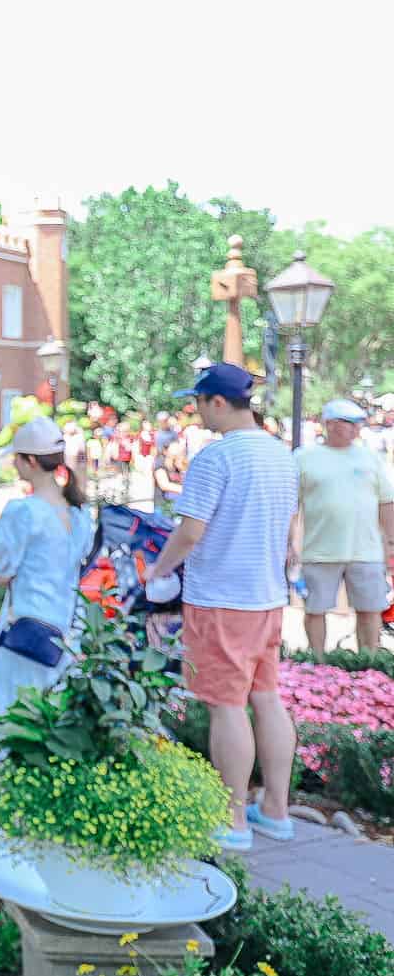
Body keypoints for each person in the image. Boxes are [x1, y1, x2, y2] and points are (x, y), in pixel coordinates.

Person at [143, 364, 298, 852]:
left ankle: (232, 818)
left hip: (221, 599)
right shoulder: (281, 455)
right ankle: (276, 810)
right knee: (266, 698)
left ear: (216, 403)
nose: (195, 411)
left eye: (198, 402)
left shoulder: (216, 458)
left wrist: (157, 572)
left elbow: (190, 531)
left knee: (226, 707)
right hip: (267, 597)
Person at [0, 418, 95, 717]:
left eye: (17, 458)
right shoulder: (79, 513)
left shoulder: (23, 511)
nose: (14, 464)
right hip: (67, 633)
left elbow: (0, 571)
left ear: (30, 461)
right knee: (51, 721)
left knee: (9, 716)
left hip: (26, 629)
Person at [291, 399, 394, 661]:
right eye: (350, 424)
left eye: (358, 424)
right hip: (319, 550)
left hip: (366, 550)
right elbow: (291, 504)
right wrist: (290, 541)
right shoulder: (303, 458)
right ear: (331, 425)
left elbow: (385, 502)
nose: (356, 430)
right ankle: (317, 662)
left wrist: (391, 541)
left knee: (370, 610)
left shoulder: (370, 458)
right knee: (315, 610)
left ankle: (369, 663)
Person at [153, 440, 187, 515]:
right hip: (162, 505)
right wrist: (185, 490)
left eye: (178, 449)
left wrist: (181, 467)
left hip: (176, 505)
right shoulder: (160, 464)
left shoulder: (178, 465)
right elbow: (164, 485)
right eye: (174, 449)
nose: (177, 451)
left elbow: (185, 480)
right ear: (166, 451)